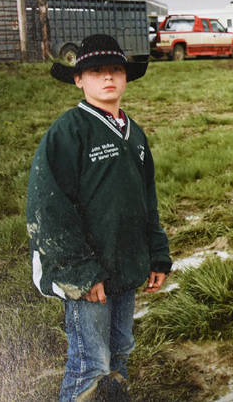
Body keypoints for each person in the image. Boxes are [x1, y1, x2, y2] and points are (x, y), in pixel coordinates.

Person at [26, 34, 173, 400]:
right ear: (79, 79)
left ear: (125, 78)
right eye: (95, 72)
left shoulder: (134, 133)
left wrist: (157, 255)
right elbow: (49, 208)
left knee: (119, 354)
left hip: (124, 265)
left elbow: (147, 200)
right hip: (87, 273)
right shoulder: (68, 131)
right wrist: (80, 273)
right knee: (90, 364)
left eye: (115, 70)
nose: (107, 78)